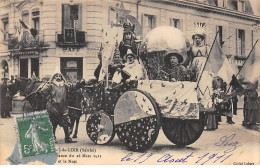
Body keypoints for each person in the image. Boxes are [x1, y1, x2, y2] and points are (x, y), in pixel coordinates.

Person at [39, 72, 82, 143]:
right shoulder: (50, 85)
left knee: (66, 122)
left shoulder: (65, 86)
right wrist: (49, 99)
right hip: (53, 107)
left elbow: (73, 88)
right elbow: (42, 92)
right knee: (53, 123)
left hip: (63, 106)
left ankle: (67, 138)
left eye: (60, 76)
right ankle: (53, 138)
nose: (58, 78)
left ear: (62, 77)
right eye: (56, 76)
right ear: (53, 77)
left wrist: (80, 84)